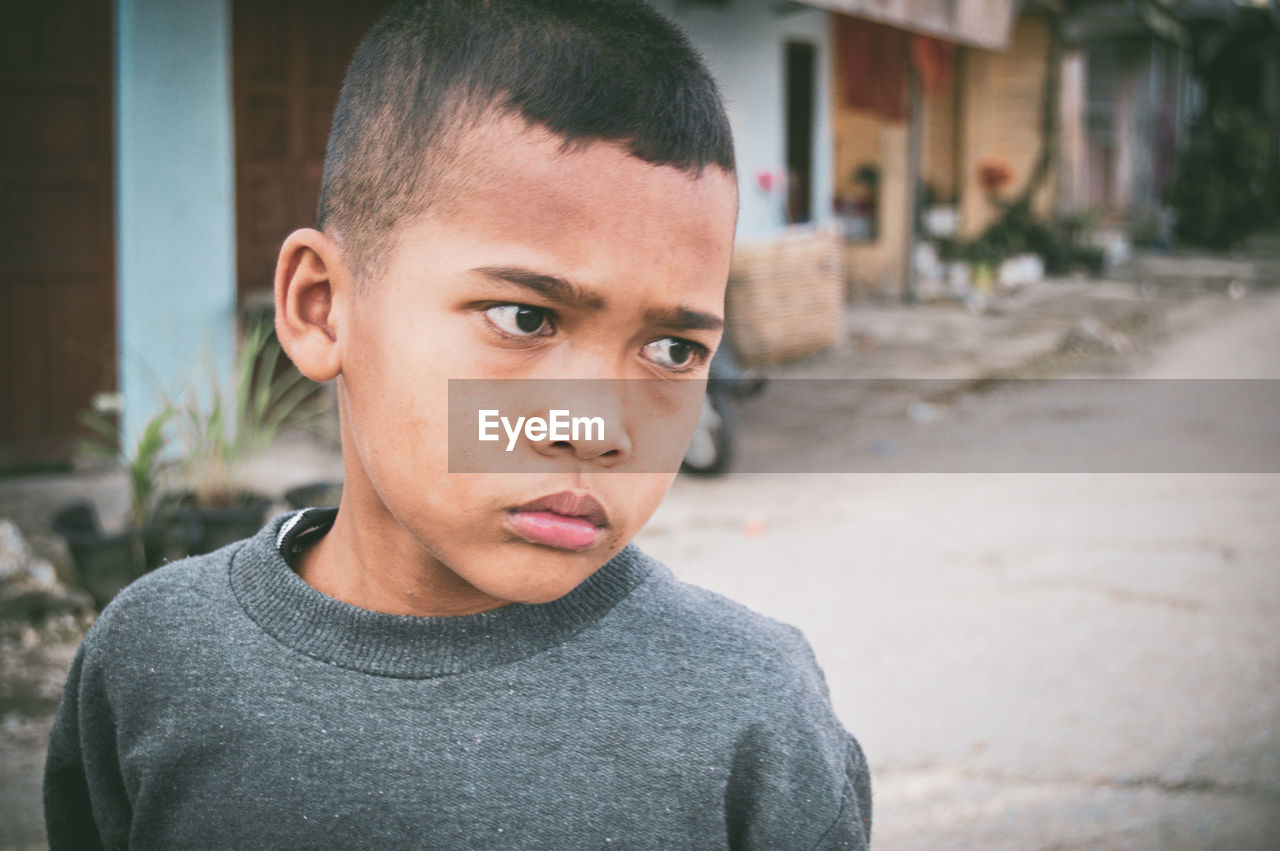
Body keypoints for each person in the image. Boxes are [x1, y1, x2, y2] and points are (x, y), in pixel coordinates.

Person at [43, 1, 872, 846]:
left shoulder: (750, 712)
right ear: (323, 310)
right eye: (523, 318)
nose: (600, 430)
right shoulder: (156, 660)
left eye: (671, 347)